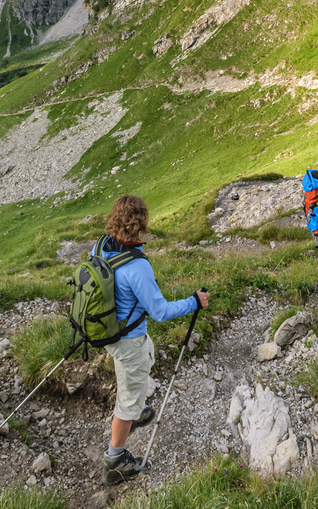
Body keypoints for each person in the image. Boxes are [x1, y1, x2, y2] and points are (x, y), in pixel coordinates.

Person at [97, 194, 209, 484]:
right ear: (142, 221)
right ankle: (115, 461)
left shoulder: (102, 245)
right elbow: (159, 311)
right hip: (129, 340)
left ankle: (131, 416)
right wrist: (194, 302)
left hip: (110, 333)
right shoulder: (137, 266)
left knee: (133, 379)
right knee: (128, 401)